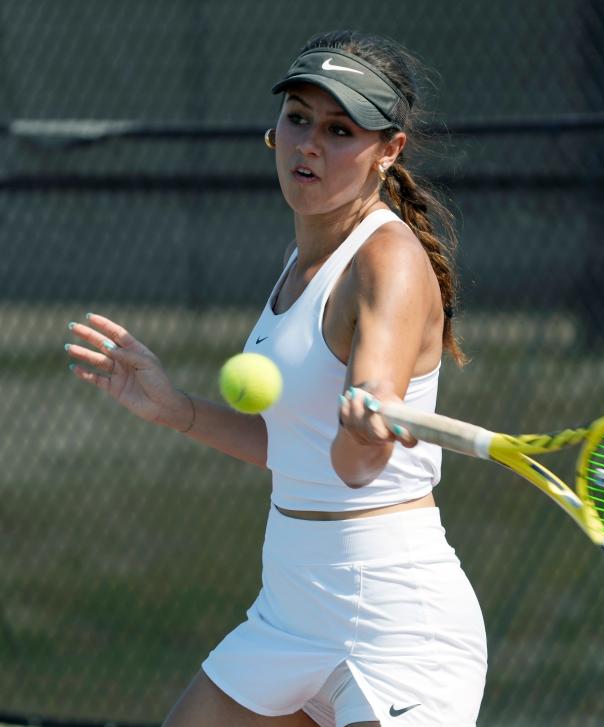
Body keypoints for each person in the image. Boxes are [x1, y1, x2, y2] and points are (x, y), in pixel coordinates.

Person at [65, 31, 486, 727]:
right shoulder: (301, 257)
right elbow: (294, 446)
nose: (309, 144)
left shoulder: (389, 262)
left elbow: (356, 465)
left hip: (390, 617)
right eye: (298, 118)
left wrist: (365, 431)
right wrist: (176, 409)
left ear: (390, 151)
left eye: (339, 129)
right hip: (292, 607)